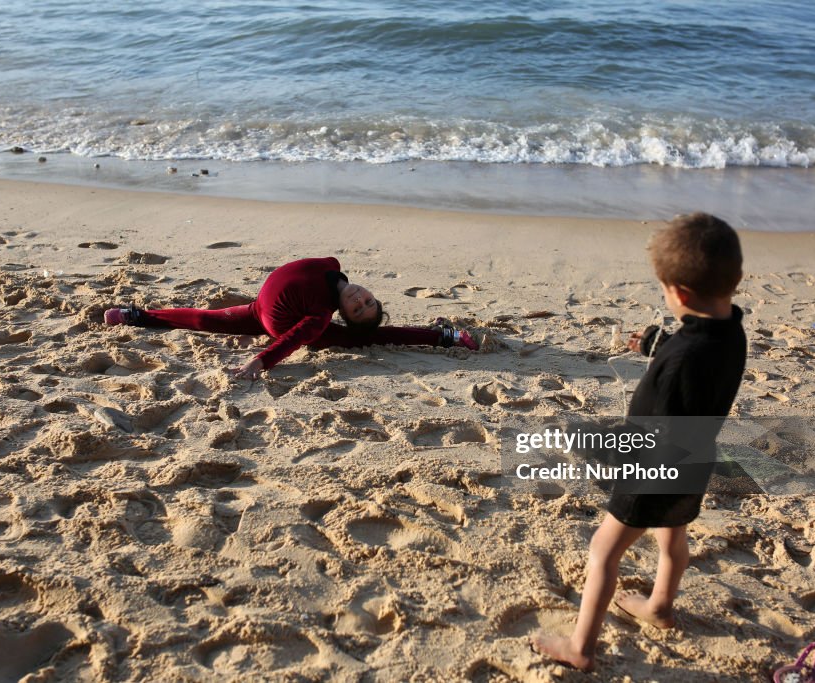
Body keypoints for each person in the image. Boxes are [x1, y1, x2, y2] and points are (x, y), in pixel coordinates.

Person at [531, 213, 747, 671]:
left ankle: (581, 649)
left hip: (653, 469)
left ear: (679, 294)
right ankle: (660, 607)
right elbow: (696, 345)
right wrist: (657, 342)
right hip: (695, 461)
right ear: (735, 280)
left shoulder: (680, 363)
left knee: (603, 551)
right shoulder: (731, 330)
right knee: (672, 540)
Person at [104, 256, 478, 379]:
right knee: (205, 320)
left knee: (370, 337)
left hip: (282, 324)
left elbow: (295, 338)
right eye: (367, 300)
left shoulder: (318, 316)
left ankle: (441, 337)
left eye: (358, 309)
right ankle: (136, 316)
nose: (360, 300)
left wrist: (260, 361)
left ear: (342, 314)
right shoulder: (334, 267)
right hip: (260, 310)